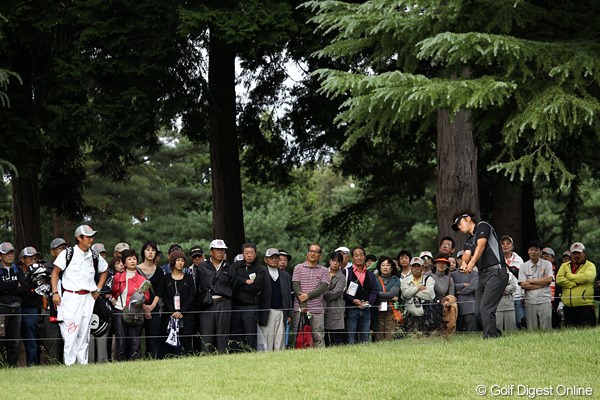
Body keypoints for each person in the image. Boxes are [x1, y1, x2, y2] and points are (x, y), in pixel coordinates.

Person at [50, 225, 108, 366]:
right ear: (79, 238)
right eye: (88, 237)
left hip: (88, 297)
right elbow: (55, 273)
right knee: (70, 330)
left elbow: (104, 270)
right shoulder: (68, 253)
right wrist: (55, 293)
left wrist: (98, 289)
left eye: (92, 236)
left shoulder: (94, 255)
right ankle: (69, 363)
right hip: (70, 296)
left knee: (85, 331)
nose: (91, 239)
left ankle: (83, 363)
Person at [452, 211, 509, 339]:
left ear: (467, 218)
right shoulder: (469, 240)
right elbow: (466, 253)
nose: (459, 228)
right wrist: (464, 263)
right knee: (478, 311)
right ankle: (496, 335)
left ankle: (489, 338)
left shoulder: (482, 226)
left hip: (496, 272)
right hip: (483, 276)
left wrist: (472, 263)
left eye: (459, 223)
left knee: (486, 308)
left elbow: (481, 245)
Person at [196, 239, 236, 354]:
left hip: (224, 303)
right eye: (217, 250)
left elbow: (234, 287)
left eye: (222, 250)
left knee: (223, 335)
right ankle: (206, 359)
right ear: (211, 251)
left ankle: (223, 359)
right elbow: (198, 287)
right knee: (207, 335)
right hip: (207, 304)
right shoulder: (202, 267)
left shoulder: (229, 268)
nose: (220, 252)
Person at [111, 249, 150, 361]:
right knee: (121, 340)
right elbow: (112, 292)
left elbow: (147, 298)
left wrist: (140, 295)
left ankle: (135, 361)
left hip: (135, 312)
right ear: (124, 262)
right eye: (129, 259)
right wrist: (113, 300)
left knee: (134, 340)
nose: (132, 261)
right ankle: (120, 362)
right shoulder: (117, 277)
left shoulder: (143, 279)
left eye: (134, 258)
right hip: (119, 309)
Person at [291, 243, 329, 348]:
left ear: (320, 256)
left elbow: (323, 287)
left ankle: (320, 361)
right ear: (307, 253)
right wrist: (303, 304)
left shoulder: (324, 270)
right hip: (300, 308)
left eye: (316, 252)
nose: (313, 254)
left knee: (319, 337)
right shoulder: (298, 267)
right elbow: (295, 284)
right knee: (298, 336)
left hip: (317, 308)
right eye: (311, 251)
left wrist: (307, 296)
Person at [230, 243, 265, 352]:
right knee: (235, 335)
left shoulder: (260, 269)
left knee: (251, 335)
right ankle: (235, 355)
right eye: (246, 253)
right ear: (242, 254)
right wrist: (245, 281)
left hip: (250, 306)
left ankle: (252, 355)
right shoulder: (236, 266)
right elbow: (231, 282)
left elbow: (256, 288)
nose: (249, 255)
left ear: (255, 254)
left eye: (251, 253)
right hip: (235, 306)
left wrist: (239, 284)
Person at [258, 248, 293, 351]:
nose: (274, 260)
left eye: (276, 258)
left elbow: (288, 295)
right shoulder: (261, 273)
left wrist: (289, 313)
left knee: (280, 341)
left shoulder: (285, 276)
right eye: (271, 258)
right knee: (267, 341)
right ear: (266, 260)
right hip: (267, 311)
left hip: (282, 312)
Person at [162, 249, 195, 356]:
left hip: (186, 315)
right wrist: (172, 311)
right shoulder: (166, 279)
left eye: (182, 260)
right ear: (172, 262)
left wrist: (182, 311)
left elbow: (192, 296)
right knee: (170, 345)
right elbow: (165, 297)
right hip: (170, 315)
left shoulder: (189, 278)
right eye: (178, 260)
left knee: (187, 342)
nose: (180, 263)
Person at [556, 242, 596, 327]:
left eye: (579, 253)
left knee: (587, 336)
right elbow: (559, 279)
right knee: (570, 337)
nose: (576, 255)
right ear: (570, 254)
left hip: (585, 307)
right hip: (568, 308)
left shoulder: (590, 266)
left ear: (584, 253)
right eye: (574, 253)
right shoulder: (564, 265)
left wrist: (569, 276)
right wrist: (573, 283)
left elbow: (587, 277)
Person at [137, 240, 165, 359]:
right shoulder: (136, 269)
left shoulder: (159, 271)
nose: (150, 252)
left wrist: (152, 307)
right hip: (138, 308)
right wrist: (144, 307)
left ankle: (151, 359)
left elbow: (159, 291)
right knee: (135, 338)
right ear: (143, 252)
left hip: (153, 308)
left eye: (153, 250)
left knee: (153, 339)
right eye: (148, 250)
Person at [343, 246, 377, 344]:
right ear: (353, 258)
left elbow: (374, 290)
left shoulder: (370, 274)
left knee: (365, 339)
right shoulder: (346, 272)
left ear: (364, 257)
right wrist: (353, 300)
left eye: (361, 255)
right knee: (351, 339)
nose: (359, 258)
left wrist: (369, 302)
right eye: (356, 255)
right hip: (352, 308)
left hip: (366, 309)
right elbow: (342, 291)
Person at [42, 238, 68, 364]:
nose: (63, 251)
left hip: (70, 309)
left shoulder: (71, 269)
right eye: (60, 248)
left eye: (65, 248)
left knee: (70, 340)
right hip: (52, 310)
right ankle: (54, 365)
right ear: (53, 252)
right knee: (54, 341)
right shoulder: (46, 269)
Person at [0, 242, 27, 366]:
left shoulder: (18, 269)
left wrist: (7, 288)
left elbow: (24, 289)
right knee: (0, 339)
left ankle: (12, 366)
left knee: (14, 341)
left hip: (16, 309)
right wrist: (15, 285)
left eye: (11, 253)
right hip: (2, 310)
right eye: (7, 253)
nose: (10, 255)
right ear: (0, 256)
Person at [519, 241, 553, 330]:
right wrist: (542, 284)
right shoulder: (523, 266)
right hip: (530, 301)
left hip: (545, 300)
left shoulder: (547, 264)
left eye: (536, 250)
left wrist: (531, 281)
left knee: (547, 329)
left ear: (540, 252)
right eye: (531, 250)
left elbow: (549, 279)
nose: (533, 252)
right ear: (528, 251)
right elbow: (523, 284)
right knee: (531, 330)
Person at [18, 246, 43, 365]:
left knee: (31, 339)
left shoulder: (39, 274)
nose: (33, 261)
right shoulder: (16, 272)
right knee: (12, 341)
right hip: (15, 308)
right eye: (30, 258)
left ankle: (32, 364)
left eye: (35, 258)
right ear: (22, 260)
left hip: (31, 310)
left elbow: (35, 293)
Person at [401, 257, 435, 334]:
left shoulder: (429, 280)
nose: (416, 268)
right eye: (414, 266)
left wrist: (412, 292)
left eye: (418, 266)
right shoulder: (405, 281)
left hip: (426, 315)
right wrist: (418, 288)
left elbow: (430, 295)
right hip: (410, 315)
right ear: (410, 267)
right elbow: (405, 295)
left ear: (422, 267)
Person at [501, 235, 525, 329]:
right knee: (505, 325)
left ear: (512, 246)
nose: (505, 246)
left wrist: (523, 294)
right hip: (502, 297)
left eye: (508, 243)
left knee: (520, 322)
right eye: (503, 244)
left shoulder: (519, 260)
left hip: (517, 296)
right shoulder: (497, 260)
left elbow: (523, 278)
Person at [373, 256, 400, 341]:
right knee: (378, 336)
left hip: (391, 310)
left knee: (390, 336)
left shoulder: (396, 279)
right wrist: (387, 296)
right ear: (379, 267)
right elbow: (373, 293)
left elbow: (392, 293)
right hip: (377, 310)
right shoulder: (374, 278)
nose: (385, 267)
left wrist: (378, 294)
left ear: (392, 268)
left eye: (388, 265)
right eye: (383, 265)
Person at [323, 251, 346, 346]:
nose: (335, 263)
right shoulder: (322, 272)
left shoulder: (342, 277)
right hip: (321, 308)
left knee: (336, 338)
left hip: (335, 309)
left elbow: (336, 292)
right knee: (323, 338)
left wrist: (321, 294)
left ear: (341, 263)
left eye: (338, 261)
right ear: (329, 261)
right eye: (333, 260)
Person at [451, 259, 479, 332]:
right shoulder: (452, 274)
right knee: (458, 334)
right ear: (457, 260)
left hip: (470, 309)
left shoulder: (474, 273)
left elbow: (474, 286)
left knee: (472, 334)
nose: (463, 261)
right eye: (460, 258)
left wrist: (460, 292)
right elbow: (451, 286)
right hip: (456, 309)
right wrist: (463, 284)